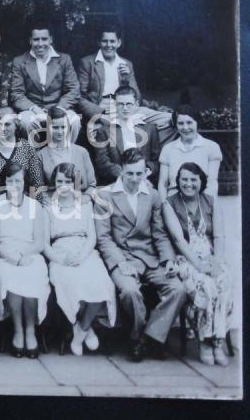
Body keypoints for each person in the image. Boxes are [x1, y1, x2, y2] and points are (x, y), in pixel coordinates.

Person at [93, 148, 186, 362]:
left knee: (179, 289)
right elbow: (104, 238)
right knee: (130, 291)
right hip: (123, 257)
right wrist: (120, 262)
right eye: (129, 174)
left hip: (150, 258)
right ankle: (136, 338)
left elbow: (160, 234)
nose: (135, 179)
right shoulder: (104, 196)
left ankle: (149, 338)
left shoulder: (152, 195)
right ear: (121, 172)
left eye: (139, 173)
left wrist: (168, 259)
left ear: (145, 172)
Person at [162, 162, 233, 366]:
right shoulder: (170, 204)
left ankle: (217, 341)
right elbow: (178, 240)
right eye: (184, 179)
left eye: (193, 179)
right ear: (178, 181)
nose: (189, 184)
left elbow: (219, 237)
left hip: (211, 258)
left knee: (224, 282)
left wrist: (216, 262)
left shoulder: (211, 202)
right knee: (205, 286)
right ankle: (205, 342)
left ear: (201, 181)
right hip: (185, 259)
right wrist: (200, 266)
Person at [42, 162, 116, 356]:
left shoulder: (84, 204)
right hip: (60, 253)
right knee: (72, 284)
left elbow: (92, 236)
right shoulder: (48, 207)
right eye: (60, 181)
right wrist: (59, 258)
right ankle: (86, 329)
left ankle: (81, 330)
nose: (64, 185)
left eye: (68, 181)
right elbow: (44, 244)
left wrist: (82, 255)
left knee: (101, 285)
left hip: (85, 251)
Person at [0, 162, 50, 359]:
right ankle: (18, 330)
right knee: (9, 276)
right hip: (5, 254)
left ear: (25, 183)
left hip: (30, 254)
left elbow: (39, 242)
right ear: (4, 182)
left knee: (34, 274)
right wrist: (10, 256)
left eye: (18, 181)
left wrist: (25, 255)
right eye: (10, 180)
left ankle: (30, 330)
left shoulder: (35, 206)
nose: (14, 185)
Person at [77, 28, 173, 145]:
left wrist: (127, 79)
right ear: (99, 42)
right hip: (103, 108)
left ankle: (150, 152)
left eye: (112, 41)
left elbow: (137, 97)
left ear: (119, 43)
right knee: (103, 136)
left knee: (169, 119)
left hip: (127, 106)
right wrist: (99, 113)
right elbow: (79, 97)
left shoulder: (126, 64)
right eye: (104, 41)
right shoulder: (88, 62)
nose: (108, 45)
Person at [10, 26, 81, 146]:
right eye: (36, 39)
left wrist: (59, 109)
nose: (40, 43)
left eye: (44, 39)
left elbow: (74, 90)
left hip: (59, 107)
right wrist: (35, 109)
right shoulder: (20, 61)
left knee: (74, 120)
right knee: (26, 122)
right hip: (33, 109)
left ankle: (66, 154)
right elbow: (16, 93)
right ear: (30, 41)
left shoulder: (64, 59)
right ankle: (35, 158)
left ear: (51, 40)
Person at [93, 85, 161, 185]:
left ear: (136, 104)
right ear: (115, 105)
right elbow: (103, 164)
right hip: (116, 183)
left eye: (129, 104)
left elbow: (156, 161)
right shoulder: (104, 131)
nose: (125, 108)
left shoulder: (149, 129)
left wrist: (143, 173)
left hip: (144, 181)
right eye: (120, 104)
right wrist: (126, 176)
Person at [0, 107, 43, 198]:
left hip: (22, 205)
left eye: (7, 124)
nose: (2, 128)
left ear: (16, 125)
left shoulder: (27, 148)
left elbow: (36, 183)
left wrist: (35, 207)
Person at [158, 105, 222, 200]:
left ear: (197, 123)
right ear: (176, 125)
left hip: (202, 201)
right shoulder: (168, 149)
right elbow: (163, 184)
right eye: (180, 123)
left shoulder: (211, 147)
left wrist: (206, 208)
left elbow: (212, 183)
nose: (185, 127)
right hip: (174, 203)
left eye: (189, 122)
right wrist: (165, 206)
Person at [37, 106, 97, 197]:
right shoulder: (40, 156)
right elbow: (40, 189)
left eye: (63, 127)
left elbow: (92, 185)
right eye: (55, 127)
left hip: (81, 201)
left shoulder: (82, 152)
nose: (60, 132)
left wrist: (85, 199)